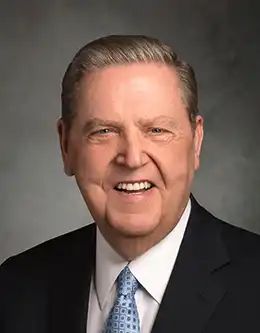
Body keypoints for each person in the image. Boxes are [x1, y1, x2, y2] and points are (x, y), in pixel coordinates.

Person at [0, 35, 260, 333]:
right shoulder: (14, 290)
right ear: (66, 146)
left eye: (157, 130)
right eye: (104, 131)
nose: (132, 158)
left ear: (196, 141)